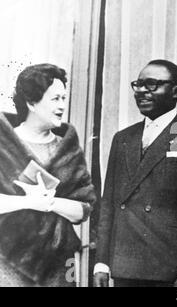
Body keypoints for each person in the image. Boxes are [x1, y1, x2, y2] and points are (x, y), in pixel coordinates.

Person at [94, 60, 177, 287]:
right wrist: (102, 262)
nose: (142, 91)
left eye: (151, 85)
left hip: (170, 268)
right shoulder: (123, 139)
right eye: (138, 84)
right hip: (125, 265)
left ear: (175, 91)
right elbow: (108, 204)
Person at [0, 63, 96, 287]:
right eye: (55, 99)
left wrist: (50, 203)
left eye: (64, 98)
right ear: (31, 102)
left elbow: (82, 210)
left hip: (57, 264)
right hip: (6, 258)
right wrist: (28, 202)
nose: (62, 106)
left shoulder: (68, 149)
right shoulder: (3, 145)